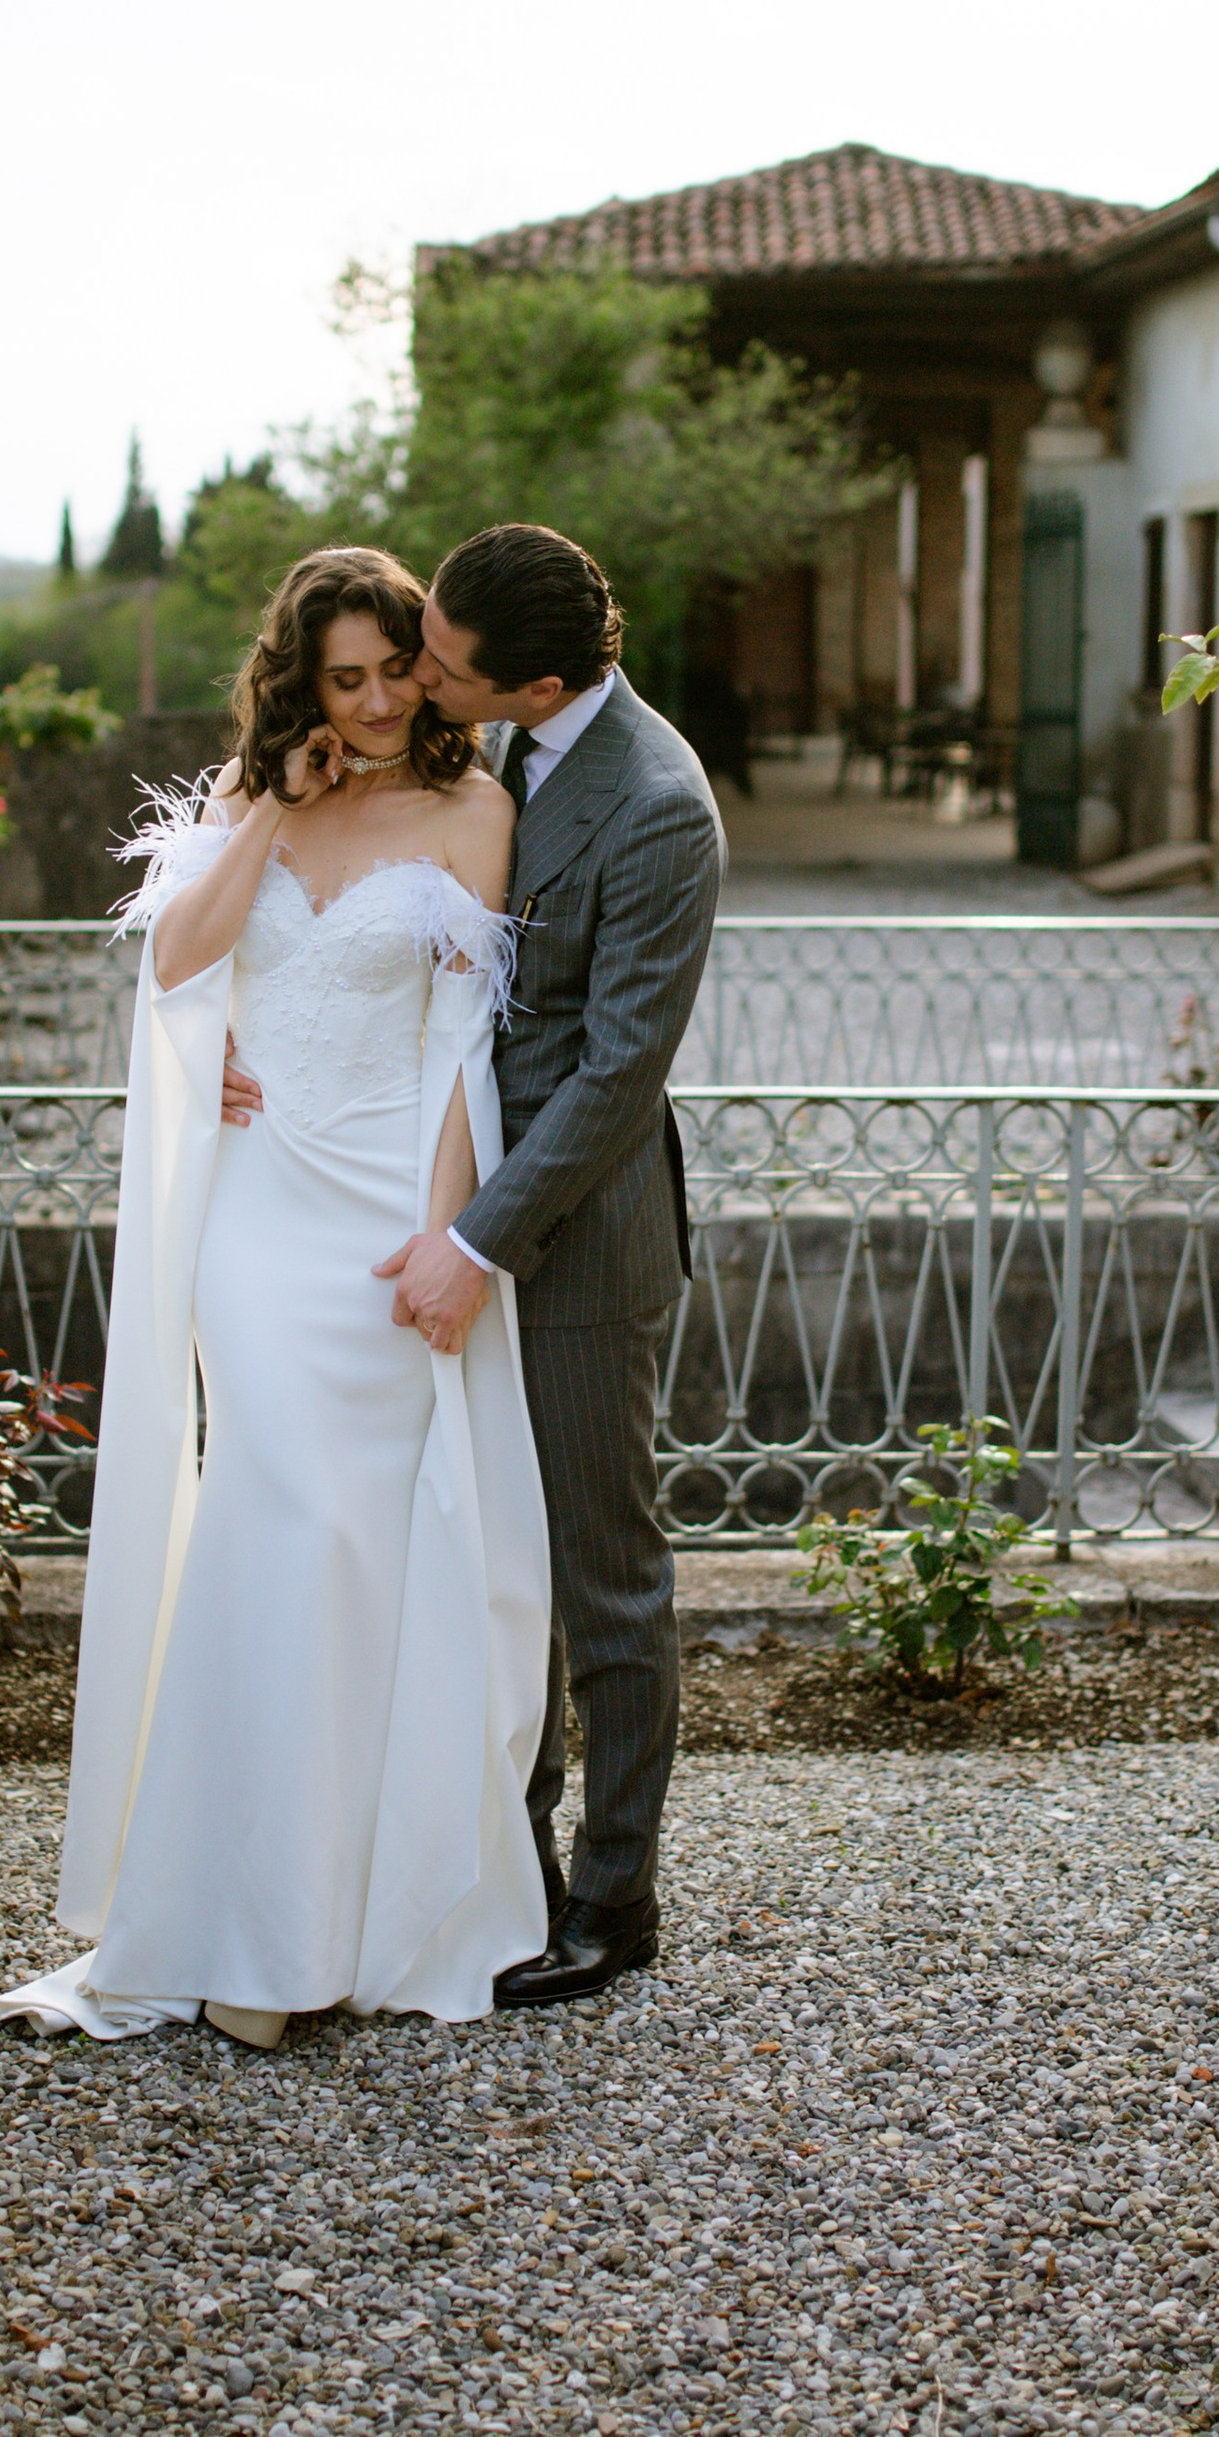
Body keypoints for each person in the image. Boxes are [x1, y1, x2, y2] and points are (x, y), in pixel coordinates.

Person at [0, 546, 551, 2050]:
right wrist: (275, 814)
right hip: (257, 1211)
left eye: (390, 674)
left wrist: (451, 1244)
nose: (371, 705)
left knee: (364, 1555)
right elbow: (178, 962)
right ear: (299, 683)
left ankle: (337, 1919)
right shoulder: (261, 802)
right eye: (340, 680)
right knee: (268, 1519)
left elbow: (463, 1049)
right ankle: (234, 1919)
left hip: (384, 1211)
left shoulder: (478, 812)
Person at [228, 522, 726, 2006]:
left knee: (600, 1575)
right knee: (487, 1555)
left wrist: (472, 1243)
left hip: (572, 1238)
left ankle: (614, 1897)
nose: (420, 681)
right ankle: (500, 1859)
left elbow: (619, 1070)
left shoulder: (656, 807)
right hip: (442, 1197)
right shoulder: (509, 756)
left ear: (539, 678)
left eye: (440, 662)